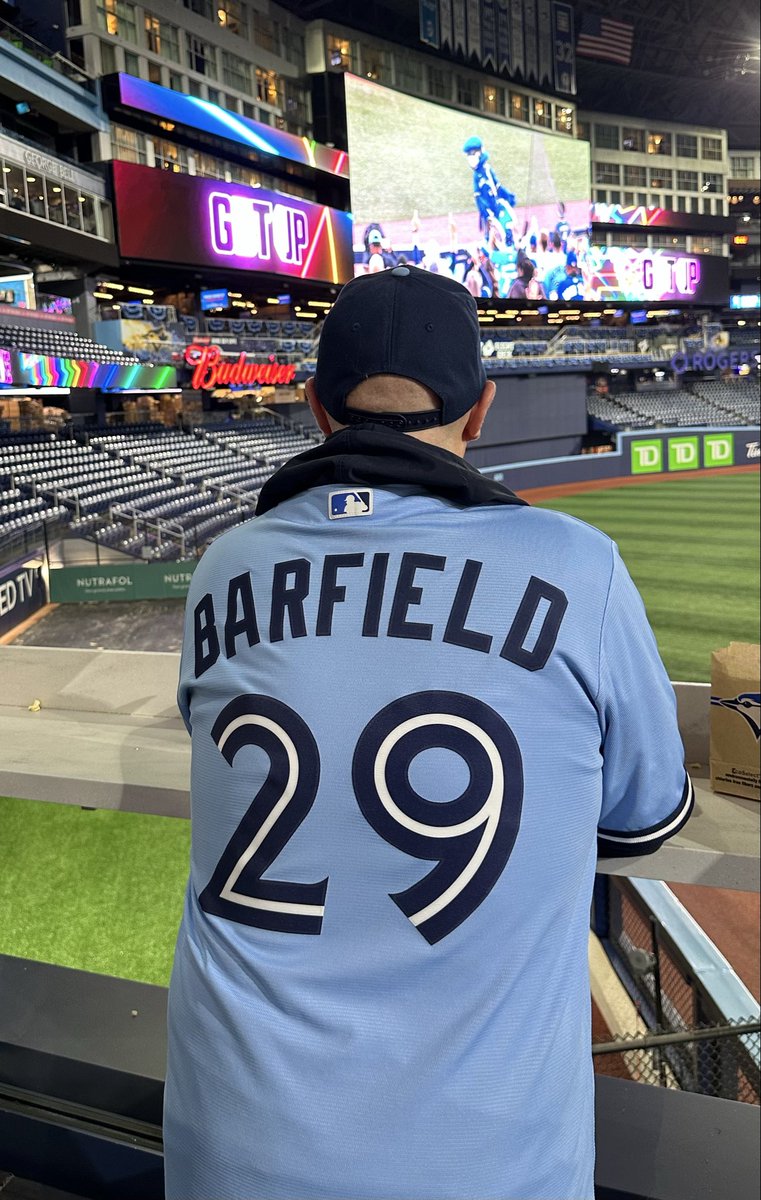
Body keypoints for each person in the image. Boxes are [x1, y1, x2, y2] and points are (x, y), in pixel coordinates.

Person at [164, 266, 694, 1200]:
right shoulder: (579, 567)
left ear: (317, 408)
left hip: (231, 1147)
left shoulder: (223, 565)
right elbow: (643, 819)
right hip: (485, 1162)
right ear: (481, 410)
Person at [463, 135, 517, 242]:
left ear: (479, 152)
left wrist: (507, 197)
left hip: (497, 207)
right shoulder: (477, 175)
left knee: (505, 231)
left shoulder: (487, 169)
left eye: (472, 153)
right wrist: (486, 211)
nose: (470, 157)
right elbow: (478, 197)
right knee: (492, 236)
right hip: (489, 212)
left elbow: (497, 186)